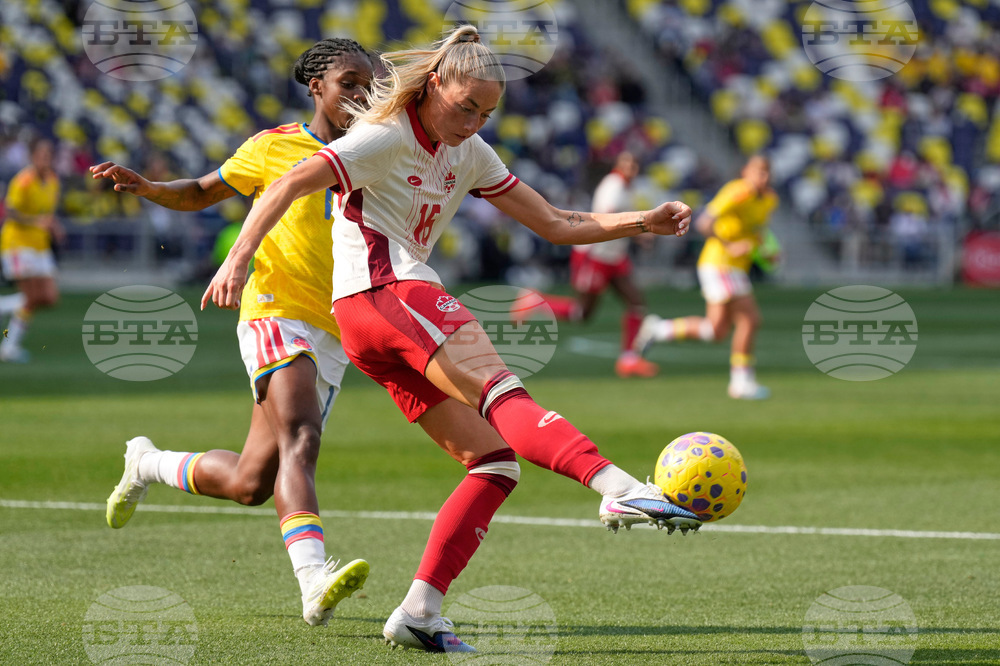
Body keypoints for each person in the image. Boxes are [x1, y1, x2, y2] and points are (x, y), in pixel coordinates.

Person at [204, 25, 702, 653]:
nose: (472, 122)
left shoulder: (470, 151)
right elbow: (287, 182)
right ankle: (621, 491)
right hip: (389, 293)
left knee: (493, 462)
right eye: (465, 107)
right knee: (504, 394)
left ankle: (418, 612)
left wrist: (643, 221)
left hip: (373, 320)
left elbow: (553, 222)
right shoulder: (384, 134)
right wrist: (238, 257)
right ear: (435, 83)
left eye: (487, 112)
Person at [91, 38, 380, 628]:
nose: (360, 93)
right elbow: (202, 192)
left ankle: (146, 464)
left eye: (368, 83)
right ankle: (313, 581)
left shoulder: (378, 149)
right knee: (302, 435)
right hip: (275, 310)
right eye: (349, 81)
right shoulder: (273, 147)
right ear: (316, 87)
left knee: (253, 481)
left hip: (334, 325)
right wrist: (149, 188)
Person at [632, 155, 778, 400]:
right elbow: (705, 222)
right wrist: (730, 245)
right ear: (745, 171)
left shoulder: (769, 199)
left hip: (733, 267)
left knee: (716, 331)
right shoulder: (738, 192)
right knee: (749, 319)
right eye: (758, 171)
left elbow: (756, 231)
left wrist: (767, 251)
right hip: (720, 262)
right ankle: (741, 382)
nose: (763, 176)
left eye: (766, 171)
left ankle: (659, 329)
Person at [513, 151, 660, 378]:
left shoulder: (627, 187)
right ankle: (535, 302)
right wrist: (641, 233)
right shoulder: (613, 186)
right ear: (619, 166)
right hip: (595, 255)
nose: (632, 168)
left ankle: (629, 360)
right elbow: (609, 216)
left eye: (635, 164)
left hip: (614, 255)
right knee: (582, 313)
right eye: (627, 164)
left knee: (636, 303)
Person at [0, 137, 62, 363]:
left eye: (49, 155)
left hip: (40, 244)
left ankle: (3, 307)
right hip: (18, 243)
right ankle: (8, 347)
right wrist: (36, 222)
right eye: (42, 155)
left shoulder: (53, 180)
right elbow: (11, 211)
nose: (46, 159)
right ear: (33, 157)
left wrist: (54, 226)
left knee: (49, 297)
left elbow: (47, 213)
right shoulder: (23, 181)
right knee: (31, 297)